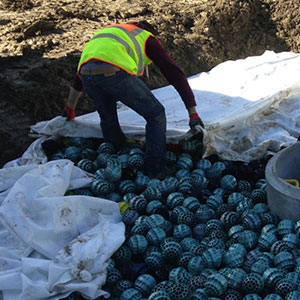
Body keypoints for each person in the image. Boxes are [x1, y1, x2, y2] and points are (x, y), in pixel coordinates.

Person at [63, 20, 204, 179]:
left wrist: (70, 108)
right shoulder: (146, 37)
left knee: (108, 117)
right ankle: (155, 169)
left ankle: (116, 161)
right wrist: (192, 112)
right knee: (155, 114)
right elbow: (173, 71)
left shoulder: (108, 33)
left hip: (87, 76)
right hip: (114, 73)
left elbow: (78, 79)